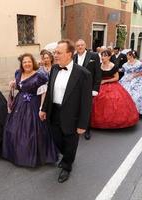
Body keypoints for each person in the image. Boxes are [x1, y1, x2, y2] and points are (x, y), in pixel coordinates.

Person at [40, 39, 92, 183]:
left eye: (58, 53)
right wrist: (44, 109)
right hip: (54, 112)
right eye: (55, 52)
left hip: (72, 115)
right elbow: (50, 92)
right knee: (56, 138)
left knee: (70, 142)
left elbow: (86, 102)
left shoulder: (83, 74)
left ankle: (67, 166)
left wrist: (83, 124)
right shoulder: (55, 69)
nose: (55, 55)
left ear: (69, 54)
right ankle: (66, 155)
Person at [2, 53, 57, 167]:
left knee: (32, 131)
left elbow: (43, 92)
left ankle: (32, 156)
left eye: (29, 62)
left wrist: (42, 108)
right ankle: (16, 153)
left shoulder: (39, 76)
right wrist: (13, 84)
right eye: (25, 62)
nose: (27, 64)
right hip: (19, 104)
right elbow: (19, 86)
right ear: (22, 64)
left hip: (33, 104)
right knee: (14, 129)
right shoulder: (18, 73)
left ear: (33, 63)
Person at [91, 50, 139, 129]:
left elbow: (116, 78)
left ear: (109, 57)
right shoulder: (99, 65)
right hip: (100, 85)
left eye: (105, 56)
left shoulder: (113, 66)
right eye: (102, 56)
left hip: (112, 84)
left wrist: (105, 81)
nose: (103, 57)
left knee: (113, 101)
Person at [73, 39, 101, 140]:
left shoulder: (93, 56)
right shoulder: (73, 57)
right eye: (78, 45)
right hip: (75, 88)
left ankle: (87, 129)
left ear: (85, 46)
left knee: (86, 109)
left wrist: (95, 88)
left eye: (81, 45)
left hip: (88, 88)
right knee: (76, 108)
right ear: (76, 47)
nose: (80, 47)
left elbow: (98, 73)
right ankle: (76, 127)